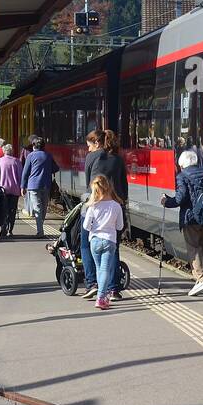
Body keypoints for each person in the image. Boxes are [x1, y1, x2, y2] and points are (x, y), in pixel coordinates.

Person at [161, 149, 203, 296]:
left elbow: (180, 199)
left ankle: (201, 278)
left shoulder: (182, 176)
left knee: (193, 247)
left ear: (182, 164)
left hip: (191, 218)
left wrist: (166, 201)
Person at [80, 130, 129, 300]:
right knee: (113, 247)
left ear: (97, 143)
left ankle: (92, 283)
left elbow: (88, 182)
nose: (88, 149)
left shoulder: (92, 158)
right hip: (115, 206)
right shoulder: (118, 160)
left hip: (93, 205)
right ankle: (113, 288)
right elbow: (124, 185)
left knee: (86, 245)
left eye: (89, 146)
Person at [82, 174, 124, 310]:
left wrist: (95, 227)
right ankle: (101, 298)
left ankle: (103, 295)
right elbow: (119, 227)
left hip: (94, 241)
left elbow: (86, 226)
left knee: (100, 269)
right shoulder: (116, 206)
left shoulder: (92, 206)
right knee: (105, 269)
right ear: (109, 187)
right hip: (109, 241)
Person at [18, 135, 58, 238]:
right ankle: (40, 228)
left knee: (37, 208)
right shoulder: (48, 155)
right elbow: (56, 168)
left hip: (33, 185)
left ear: (34, 146)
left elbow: (25, 172)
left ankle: (40, 231)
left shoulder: (31, 156)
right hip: (46, 185)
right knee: (44, 207)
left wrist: (23, 186)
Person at [0, 144, 23, 237]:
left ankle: (4, 228)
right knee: (12, 210)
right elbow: (20, 176)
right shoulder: (17, 161)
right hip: (15, 189)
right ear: (12, 151)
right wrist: (22, 188)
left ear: (4, 151)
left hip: (3, 190)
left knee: (3, 210)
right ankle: (10, 230)